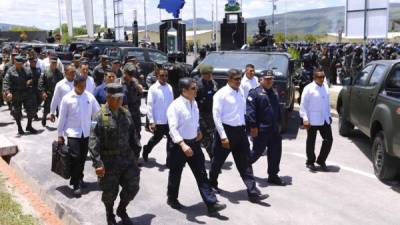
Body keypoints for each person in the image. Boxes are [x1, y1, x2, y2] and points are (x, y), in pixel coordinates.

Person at [166, 77, 226, 214]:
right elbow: (173, 129)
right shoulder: (175, 106)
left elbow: (195, 120)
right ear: (184, 90)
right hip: (179, 146)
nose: (196, 90)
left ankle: (211, 203)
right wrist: (182, 145)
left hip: (194, 143)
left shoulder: (194, 103)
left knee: (201, 173)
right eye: (193, 88)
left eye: (196, 87)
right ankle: (172, 198)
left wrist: (198, 130)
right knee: (176, 173)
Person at [209, 69, 269, 203]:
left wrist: (248, 129)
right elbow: (216, 117)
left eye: (239, 79)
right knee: (217, 161)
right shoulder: (221, 94)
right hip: (226, 132)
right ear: (228, 79)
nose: (238, 81)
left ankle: (252, 192)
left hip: (240, 132)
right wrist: (223, 136)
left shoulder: (241, 91)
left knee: (245, 163)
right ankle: (212, 183)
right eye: (236, 79)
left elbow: (243, 112)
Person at [89, 83, 141, 225]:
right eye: (116, 98)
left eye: (121, 98)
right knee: (109, 193)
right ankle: (109, 213)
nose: (119, 101)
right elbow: (93, 140)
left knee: (133, 186)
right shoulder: (98, 116)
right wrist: (97, 163)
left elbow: (133, 136)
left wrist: (136, 156)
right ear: (108, 97)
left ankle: (122, 209)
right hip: (108, 161)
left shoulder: (126, 113)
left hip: (127, 159)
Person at [57, 75, 100, 197]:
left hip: (86, 133)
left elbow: (97, 113)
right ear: (75, 85)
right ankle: (76, 184)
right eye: (80, 86)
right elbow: (62, 117)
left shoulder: (89, 97)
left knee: (82, 158)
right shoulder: (67, 98)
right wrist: (60, 134)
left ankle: (79, 177)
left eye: (84, 86)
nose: (83, 88)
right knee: (75, 157)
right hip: (72, 133)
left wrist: (93, 126)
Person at [246, 70, 285, 185]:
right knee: (256, 153)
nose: (269, 81)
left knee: (275, 153)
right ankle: (244, 167)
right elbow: (250, 111)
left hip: (274, 129)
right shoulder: (254, 93)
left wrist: (279, 123)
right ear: (260, 80)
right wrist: (253, 127)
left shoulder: (274, 92)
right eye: (267, 79)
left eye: (271, 79)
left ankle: (273, 175)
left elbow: (277, 109)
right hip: (261, 129)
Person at [299, 68, 333, 172]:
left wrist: (329, 115)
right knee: (311, 141)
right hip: (312, 119)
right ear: (314, 77)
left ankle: (321, 160)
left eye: (323, 77)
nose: (322, 79)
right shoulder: (308, 88)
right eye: (319, 77)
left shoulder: (325, 87)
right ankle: (310, 161)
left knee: (329, 140)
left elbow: (327, 103)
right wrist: (305, 119)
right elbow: (303, 105)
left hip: (324, 119)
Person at [142, 65, 174, 162]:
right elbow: (150, 106)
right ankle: (146, 149)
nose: (164, 78)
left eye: (166, 76)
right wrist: (151, 121)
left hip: (169, 120)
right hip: (159, 120)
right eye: (162, 76)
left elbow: (172, 104)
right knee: (156, 139)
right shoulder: (153, 88)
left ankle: (169, 161)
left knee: (171, 141)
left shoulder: (169, 87)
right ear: (157, 76)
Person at [3, 55, 38, 134]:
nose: (19, 65)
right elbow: (6, 82)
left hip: (26, 92)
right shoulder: (10, 71)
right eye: (17, 63)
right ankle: (19, 127)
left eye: (21, 63)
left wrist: (30, 81)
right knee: (16, 112)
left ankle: (29, 126)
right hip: (16, 94)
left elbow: (30, 77)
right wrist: (8, 92)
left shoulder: (26, 69)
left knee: (32, 110)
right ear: (15, 62)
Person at [119, 64, 143, 158]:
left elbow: (139, 97)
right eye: (129, 73)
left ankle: (135, 157)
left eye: (132, 73)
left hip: (135, 113)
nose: (131, 75)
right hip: (123, 114)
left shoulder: (135, 82)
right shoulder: (119, 82)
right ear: (124, 72)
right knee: (124, 136)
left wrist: (140, 92)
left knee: (137, 135)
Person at [195, 64, 218, 159]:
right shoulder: (198, 86)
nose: (210, 75)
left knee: (208, 136)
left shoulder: (213, 84)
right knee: (206, 137)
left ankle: (196, 155)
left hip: (211, 114)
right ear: (203, 74)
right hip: (201, 115)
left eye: (211, 73)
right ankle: (213, 157)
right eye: (207, 74)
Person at [39, 55, 64, 126]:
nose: (54, 64)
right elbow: (41, 83)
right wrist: (43, 92)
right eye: (52, 63)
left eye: (55, 63)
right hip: (48, 94)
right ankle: (44, 117)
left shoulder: (59, 73)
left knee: (59, 110)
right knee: (47, 108)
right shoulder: (45, 71)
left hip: (57, 95)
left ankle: (60, 124)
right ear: (50, 62)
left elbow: (63, 84)